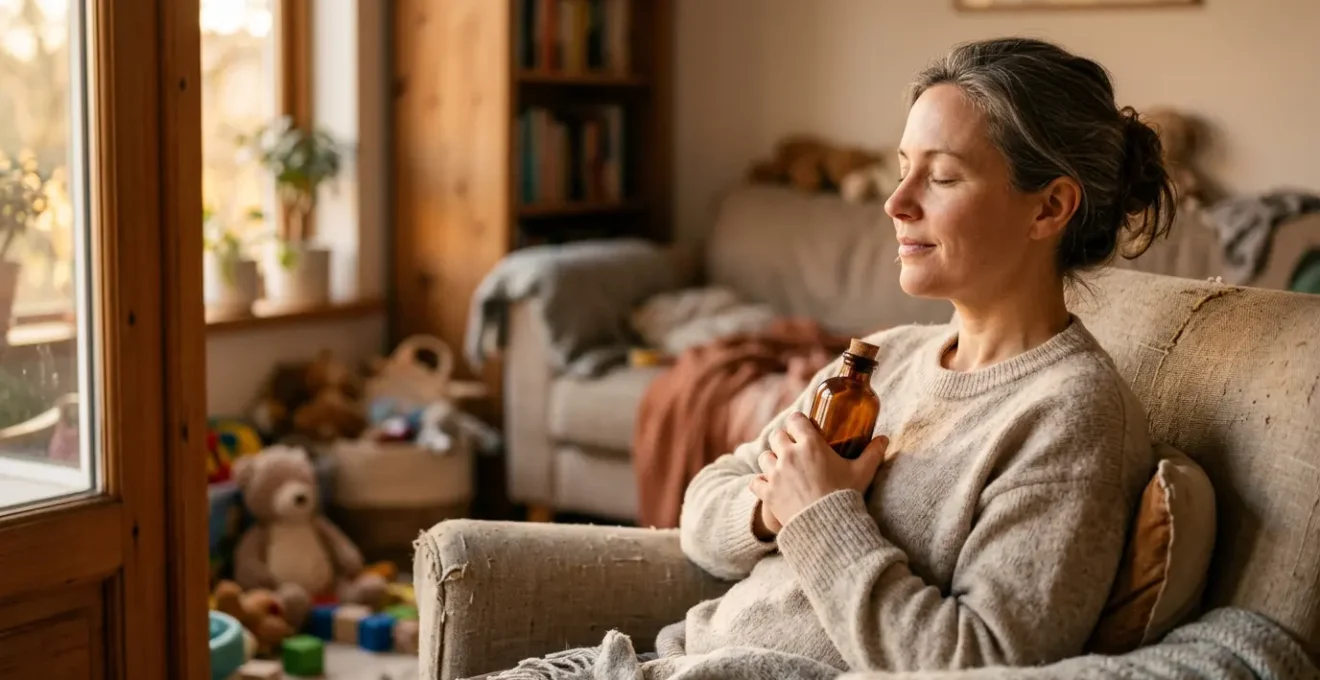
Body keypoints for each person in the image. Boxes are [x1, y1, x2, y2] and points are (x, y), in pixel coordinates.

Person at [481, 36, 1175, 679]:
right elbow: (705, 506)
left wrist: (819, 513)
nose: (896, 203)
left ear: (1049, 208)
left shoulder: (1071, 415)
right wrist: (769, 511)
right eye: (903, 171)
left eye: (942, 177)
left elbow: (983, 662)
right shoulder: (887, 359)